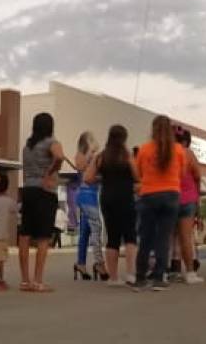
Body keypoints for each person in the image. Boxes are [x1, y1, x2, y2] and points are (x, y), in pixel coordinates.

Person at [85, 124, 141, 287]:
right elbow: (137, 176)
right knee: (130, 236)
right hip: (125, 197)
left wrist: (103, 178)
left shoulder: (101, 156)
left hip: (107, 198)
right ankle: (131, 274)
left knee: (113, 237)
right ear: (124, 139)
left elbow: (87, 178)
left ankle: (114, 277)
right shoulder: (127, 156)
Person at [135, 115, 186, 291]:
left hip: (149, 194)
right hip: (171, 195)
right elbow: (182, 173)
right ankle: (159, 277)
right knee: (164, 238)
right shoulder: (178, 150)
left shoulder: (144, 149)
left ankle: (140, 278)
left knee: (146, 238)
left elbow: (139, 173)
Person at [18, 112, 66, 293]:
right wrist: (50, 172)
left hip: (28, 190)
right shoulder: (52, 142)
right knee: (44, 237)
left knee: (25, 234)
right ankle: (38, 281)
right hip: (45, 192)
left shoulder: (27, 146)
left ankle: (25, 281)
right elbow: (59, 157)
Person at [172, 127, 205, 284]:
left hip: (171, 198)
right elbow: (197, 176)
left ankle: (172, 270)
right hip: (188, 199)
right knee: (186, 237)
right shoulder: (188, 154)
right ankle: (190, 272)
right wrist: (197, 197)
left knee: (171, 237)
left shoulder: (167, 154)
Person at [73, 131, 106, 281]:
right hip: (86, 195)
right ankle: (99, 263)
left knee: (86, 231)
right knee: (96, 228)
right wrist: (91, 155)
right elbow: (80, 167)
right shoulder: (81, 155)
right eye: (92, 140)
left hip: (91, 195)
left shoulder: (95, 156)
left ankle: (81, 264)